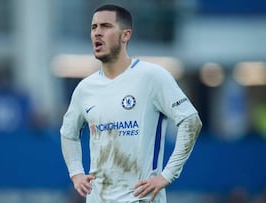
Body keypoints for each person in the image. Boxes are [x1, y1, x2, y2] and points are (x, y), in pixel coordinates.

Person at [60, 4, 202, 203]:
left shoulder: (152, 76)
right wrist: (76, 173)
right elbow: (68, 133)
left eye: (106, 26)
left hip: (141, 199)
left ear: (125, 35)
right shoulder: (85, 88)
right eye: (94, 27)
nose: (97, 33)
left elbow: (190, 121)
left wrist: (167, 175)